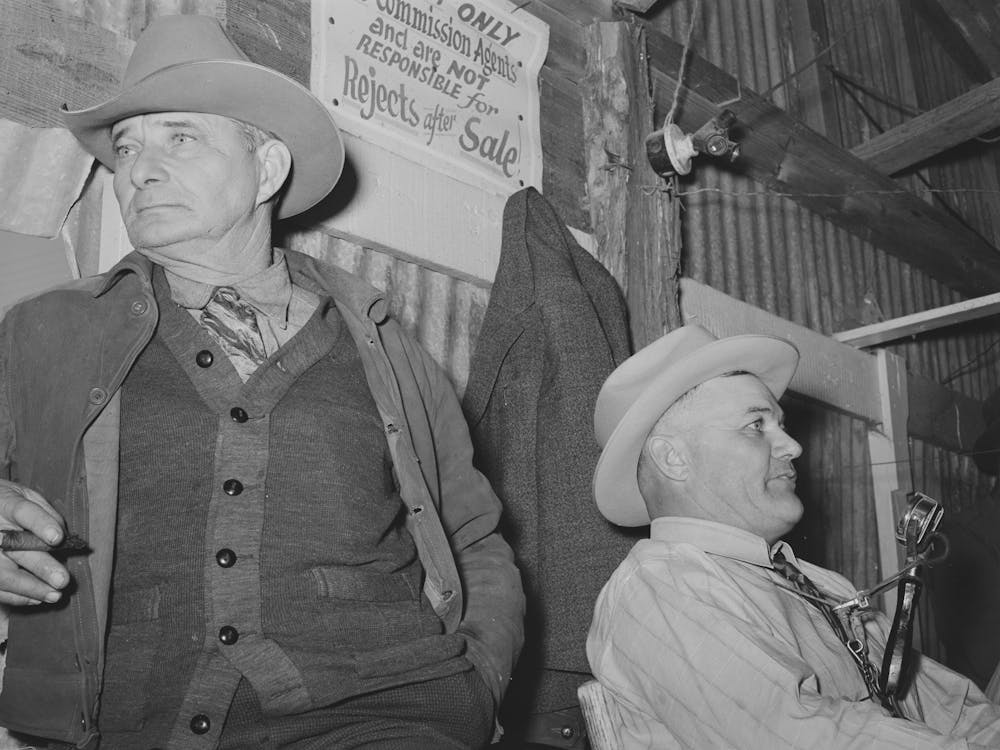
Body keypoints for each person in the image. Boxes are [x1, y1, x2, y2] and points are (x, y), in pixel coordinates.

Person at [0, 14, 523, 749]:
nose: (139, 170)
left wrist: (482, 682)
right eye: (126, 148)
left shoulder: (380, 341)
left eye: (180, 137)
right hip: (135, 723)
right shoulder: (43, 332)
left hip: (391, 713)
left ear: (267, 169)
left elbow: (473, 534)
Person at [585, 324, 1000, 749]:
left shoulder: (820, 584)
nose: (793, 446)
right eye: (755, 425)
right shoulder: (662, 590)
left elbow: (948, 706)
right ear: (673, 458)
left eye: (779, 424)